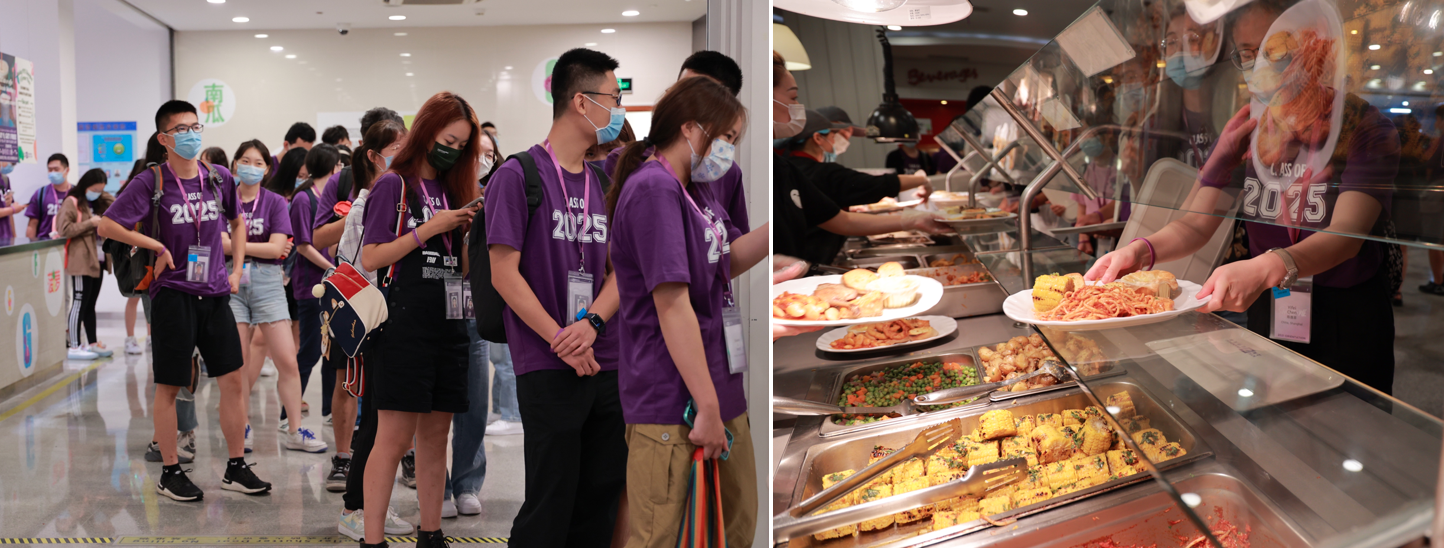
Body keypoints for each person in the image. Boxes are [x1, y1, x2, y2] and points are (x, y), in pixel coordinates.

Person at [1089, 0, 1401, 394]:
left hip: (1346, 312)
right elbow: (1196, 223)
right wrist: (1139, 252)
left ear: (1315, 44)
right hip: (1269, 299)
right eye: (1249, 54)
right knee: (1275, 422)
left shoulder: (1366, 127)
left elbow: (1346, 237)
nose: (1261, 67)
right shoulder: (1253, 127)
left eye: (1276, 50)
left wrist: (1268, 266)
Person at [607, 75, 767, 547]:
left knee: (735, 527)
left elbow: (722, 261)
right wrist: (708, 406)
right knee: (660, 534)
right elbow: (673, 305)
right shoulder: (654, 189)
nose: (729, 151)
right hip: (671, 398)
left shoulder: (696, 189)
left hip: (716, 385)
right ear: (692, 128)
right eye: (727, 138)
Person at [486, 47, 628, 548]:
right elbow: (503, 273)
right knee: (551, 496)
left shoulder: (607, 180)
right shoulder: (518, 174)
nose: (619, 109)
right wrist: (561, 338)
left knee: (601, 497)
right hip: (546, 360)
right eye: (614, 97)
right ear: (581, 102)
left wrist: (590, 324)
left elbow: (622, 272)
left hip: (605, 356)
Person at [99, 99, 272, 501]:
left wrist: (236, 268)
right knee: (170, 386)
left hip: (214, 294)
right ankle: (171, 471)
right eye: (181, 130)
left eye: (196, 127)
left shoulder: (218, 177)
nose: (192, 135)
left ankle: (235, 466)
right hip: (173, 294)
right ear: (164, 139)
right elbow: (108, 225)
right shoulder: (150, 181)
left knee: (232, 380)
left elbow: (237, 222)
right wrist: (156, 245)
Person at [359, 91, 481, 548]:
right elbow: (371, 257)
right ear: (427, 131)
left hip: (450, 321)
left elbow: (463, 269)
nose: (453, 150)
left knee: (436, 437)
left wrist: (468, 231)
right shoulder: (395, 184)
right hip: (403, 323)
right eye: (449, 139)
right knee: (392, 438)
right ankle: (372, 539)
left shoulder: (454, 189)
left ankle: (432, 532)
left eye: (462, 145)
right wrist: (429, 228)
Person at [312, 107, 408, 500]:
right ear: (370, 149)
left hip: (394, 303)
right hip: (352, 299)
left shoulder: (408, 185)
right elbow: (320, 238)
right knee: (349, 384)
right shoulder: (349, 185)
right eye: (391, 146)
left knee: (389, 398)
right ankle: (344, 460)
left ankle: (394, 467)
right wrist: (359, 214)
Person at [771, 51, 948, 262]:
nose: (798, 106)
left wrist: (916, 219)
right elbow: (872, 185)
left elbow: (842, 221)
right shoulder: (798, 170)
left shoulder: (785, 169)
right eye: (793, 97)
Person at [335, 118, 417, 542]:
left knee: (386, 422)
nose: (405, 153)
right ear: (374, 155)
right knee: (374, 423)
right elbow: (355, 267)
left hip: (390, 322)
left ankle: (370, 505)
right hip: (372, 324)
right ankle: (355, 507)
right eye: (397, 148)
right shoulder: (369, 203)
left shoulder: (401, 195)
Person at [222, 138, 326, 457]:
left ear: (267, 169)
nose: (250, 167)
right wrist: (264, 247)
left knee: (287, 360)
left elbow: (276, 246)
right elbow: (226, 245)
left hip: (268, 283)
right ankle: (243, 427)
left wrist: (238, 245)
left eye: (257, 163)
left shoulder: (274, 202)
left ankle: (294, 429)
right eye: (245, 160)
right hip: (231, 281)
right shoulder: (225, 200)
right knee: (237, 365)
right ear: (234, 164)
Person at [784, 109, 933, 265]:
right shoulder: (822, 172)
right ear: (817, 138)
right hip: (810, 261)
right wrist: (921, 181)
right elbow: (873, 186)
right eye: (833, 136)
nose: (834, 142)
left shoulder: (789, 168)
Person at [285, 144, 343, 432]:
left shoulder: (332, 199)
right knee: (309, 350)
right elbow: (304, 245)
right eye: (340, 167)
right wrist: (330, 267)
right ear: (333, 169)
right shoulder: (302, 200)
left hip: (334, 287)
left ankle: (329, 411)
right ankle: (289, 413)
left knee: (333, 353)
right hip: (311, 286)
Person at [57, 168, 115, 360]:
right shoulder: (72, 202)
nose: (97, 193)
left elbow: (115, 204)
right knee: (79, 302)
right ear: (85, 186)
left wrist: (101, 193)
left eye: (101, 189)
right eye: (95, 189)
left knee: (90, 304)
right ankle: (74, 345)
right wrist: (90, 223)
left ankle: (91, 343)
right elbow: (64, 229)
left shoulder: (97, 201)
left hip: (97, 259)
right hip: (81, 260)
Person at [27, 153, 74, 240]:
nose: (52, 173)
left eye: (56, 169)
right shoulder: (40, 193)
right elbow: (32, 224)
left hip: (72, 244)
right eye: (50, 170)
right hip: (45, 244)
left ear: (67, 170)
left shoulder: (77, 193)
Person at [0, 161, 22, 246]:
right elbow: (11, 210)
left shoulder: (5, 179)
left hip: (6, 239)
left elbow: (9, 212)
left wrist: (13, 236)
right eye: (11, 163)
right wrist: (13, 209)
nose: (12, 166)